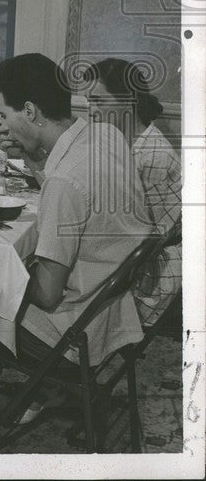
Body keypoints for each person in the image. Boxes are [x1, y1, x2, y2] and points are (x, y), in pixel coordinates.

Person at [0, 54, 152, 366]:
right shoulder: (106, 134)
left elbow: (47, 294)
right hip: (111, 311)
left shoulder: (65, 181)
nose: (3, 126)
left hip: (72, 332)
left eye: (4, 115)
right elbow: (65, 188)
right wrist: (31, 155)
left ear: (30, 110)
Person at [83, 58, 181, 326]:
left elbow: (147, 239)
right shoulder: (116, 140)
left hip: (147, 274)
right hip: (122, 255)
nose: (91, 111)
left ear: (128, 100)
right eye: (89, 101)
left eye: (98, 101)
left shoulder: (153, 155)